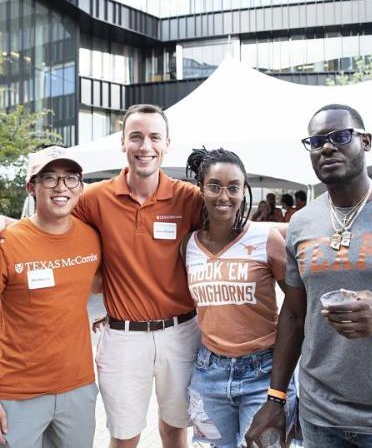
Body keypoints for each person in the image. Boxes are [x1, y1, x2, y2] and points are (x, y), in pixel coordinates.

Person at [245, 103, 372, 448]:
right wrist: (276, 398)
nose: (327, 147)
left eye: (341, 136)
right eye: (316, 141)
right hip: (319, 420)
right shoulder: (302, 224)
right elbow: (294, 316)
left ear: (366, 142)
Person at [72, 104, 203, 448]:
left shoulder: (188, 198)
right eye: (136, 137)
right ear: (123, 143)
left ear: (167, 143)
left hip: (182, 333)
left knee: (175, 430)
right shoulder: (94, 198)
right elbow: (53, 228)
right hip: (123, 337)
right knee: (124, 436)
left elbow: (232, 232)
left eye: (153, 137)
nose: (145, 146)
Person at [183, 148, 297, 448]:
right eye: (215, 186)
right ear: (201, 189)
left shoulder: (266, 238)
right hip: (209, 374)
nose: (224, 196)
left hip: (263, 373)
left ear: (243, 191)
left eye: (233, 187)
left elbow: (298, 307)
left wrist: (281, 388)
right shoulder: (189, 246)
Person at [0, 146, 101, 448]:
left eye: (70, 178)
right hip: (16, 394)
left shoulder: (92, 238)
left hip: (78, 388)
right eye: (49, 178)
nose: (61, 187)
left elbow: (106, 283)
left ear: (80, 187)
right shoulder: (8, 242)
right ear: (31, 187)